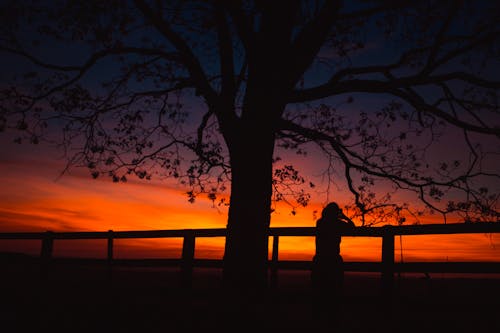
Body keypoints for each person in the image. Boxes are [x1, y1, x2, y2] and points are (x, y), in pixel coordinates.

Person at [311, 202, 355, 320]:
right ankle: (332, 315)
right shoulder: (337, 223)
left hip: (319, 259)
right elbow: (352, 228)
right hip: (333, 259)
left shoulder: (320, 223)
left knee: (319, 288)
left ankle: (319, 315)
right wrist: (345, 217)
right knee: (334, 288)